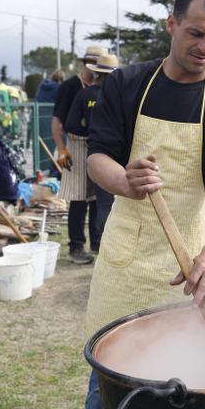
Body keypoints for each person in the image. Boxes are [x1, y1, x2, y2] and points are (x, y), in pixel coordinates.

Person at [84, 0, 205, 409]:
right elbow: (97, 155)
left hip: (192, 259)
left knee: (186, 381)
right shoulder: (126, 83)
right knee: (110, 381)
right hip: (125, 258)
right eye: (196, 34)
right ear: (171, 24)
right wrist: (124, 181)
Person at [63, 53, 121, 263]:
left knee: (82, 200)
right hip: (114, 156)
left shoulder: (85, 95)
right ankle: (102, 246)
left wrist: (88, 134)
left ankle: (79, 246)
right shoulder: (120, 95)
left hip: (89, 151)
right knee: (105, 202)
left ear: (95, 73)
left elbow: (70, 125)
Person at [52, 46, 108, 178]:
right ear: (86, 63)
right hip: (75, 146)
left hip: (98, 147)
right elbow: (57, 121)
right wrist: (61, 149)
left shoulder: (105, 88)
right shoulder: (69, 86)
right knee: (77, 194)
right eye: (93, 63)